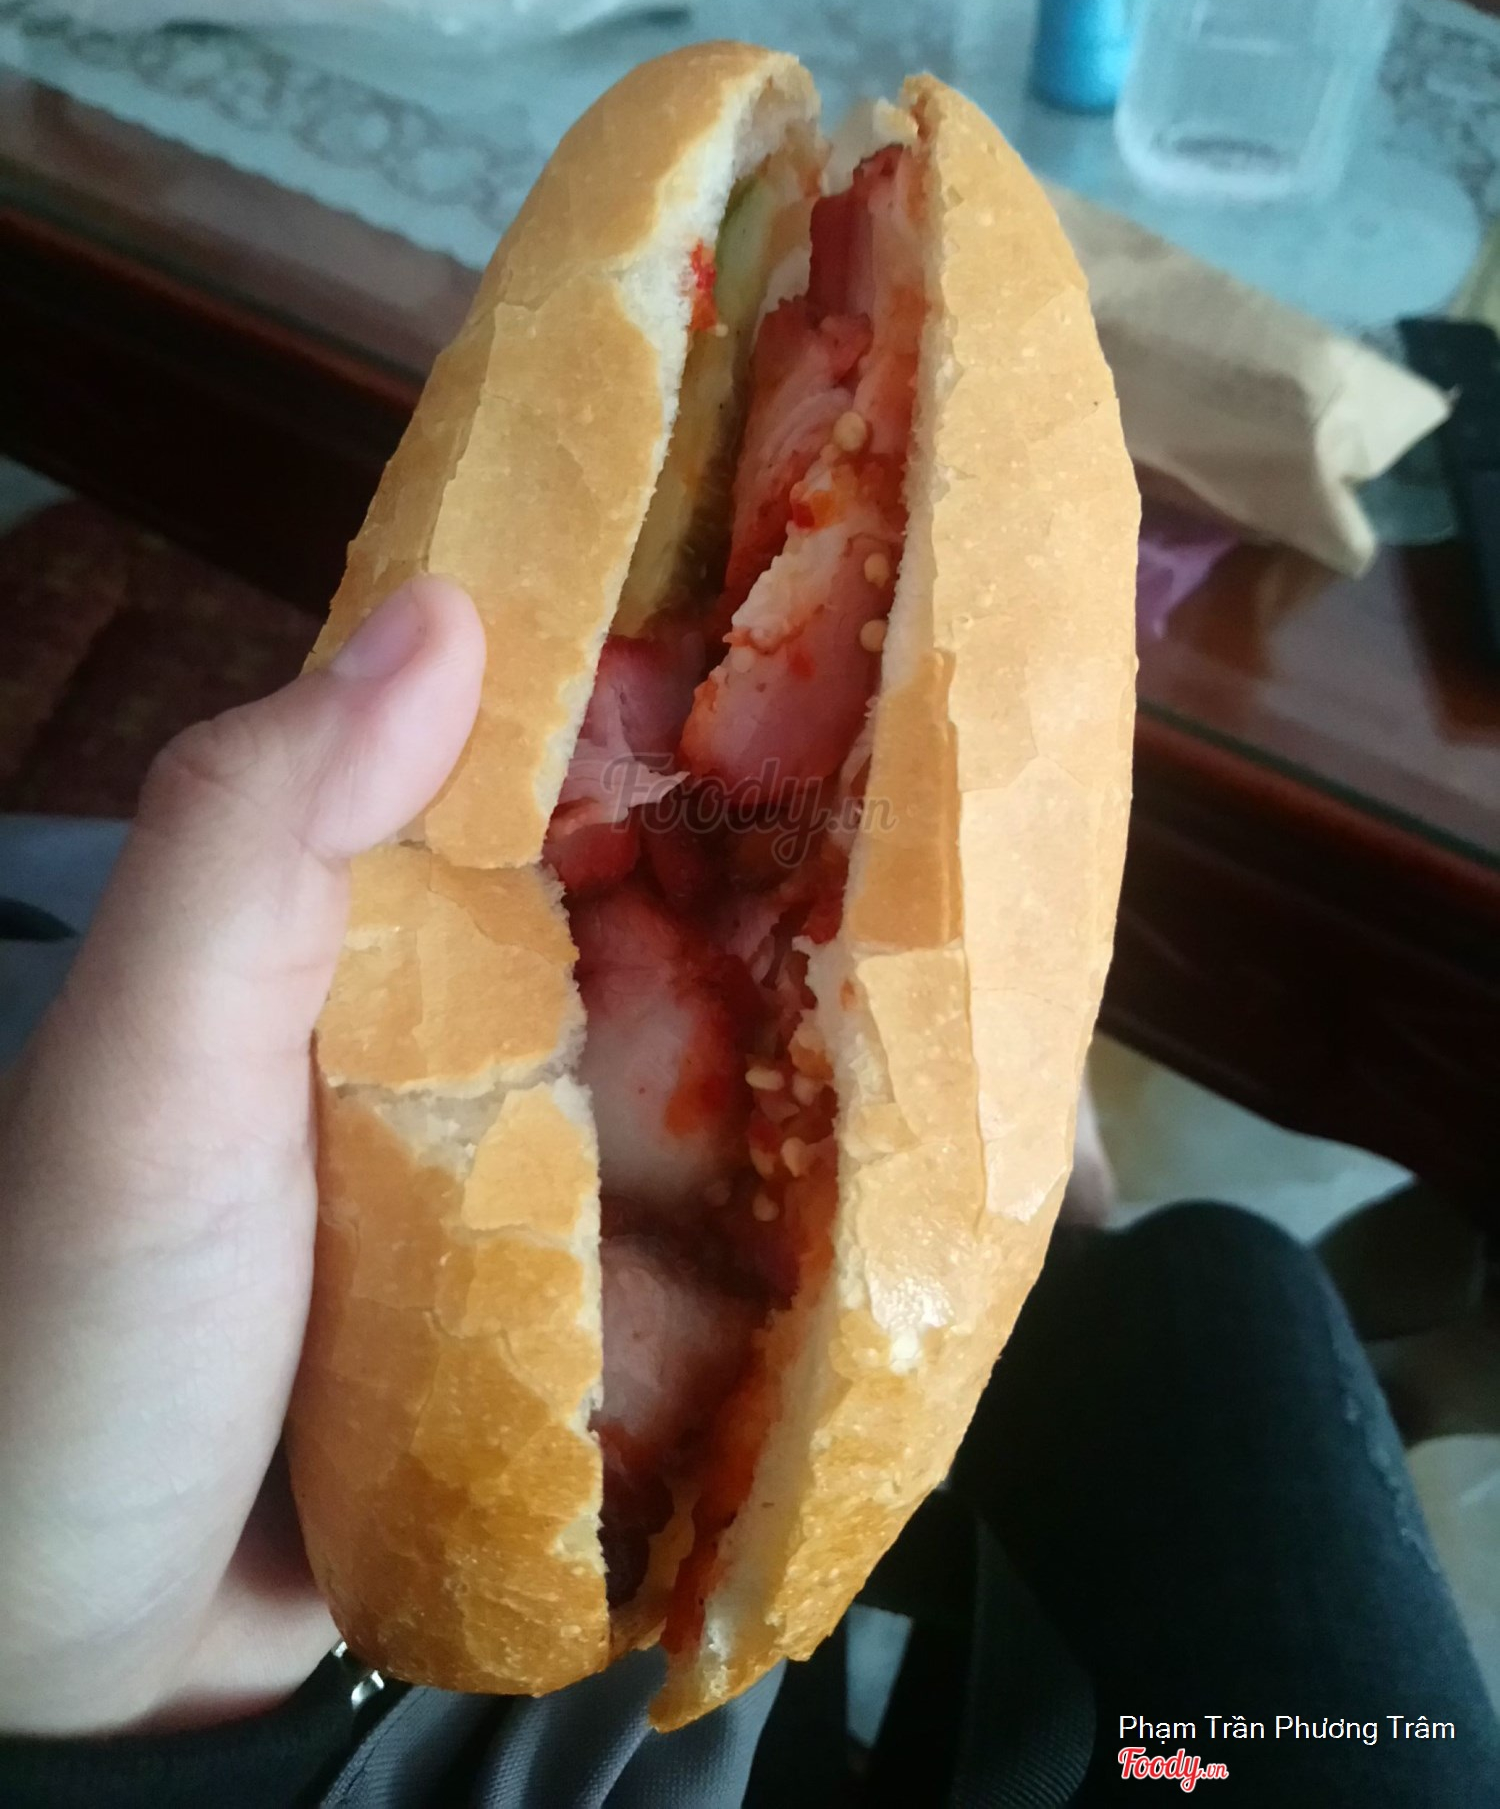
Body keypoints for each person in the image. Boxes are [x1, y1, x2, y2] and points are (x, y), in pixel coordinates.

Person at [1, 580, 1495, 1806]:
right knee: (1230, 1311)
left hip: (482, 1694)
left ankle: (1075, 1254)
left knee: (1199, 1318)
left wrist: (130, 1712)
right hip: (709, 1708)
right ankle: (1111, 1257)